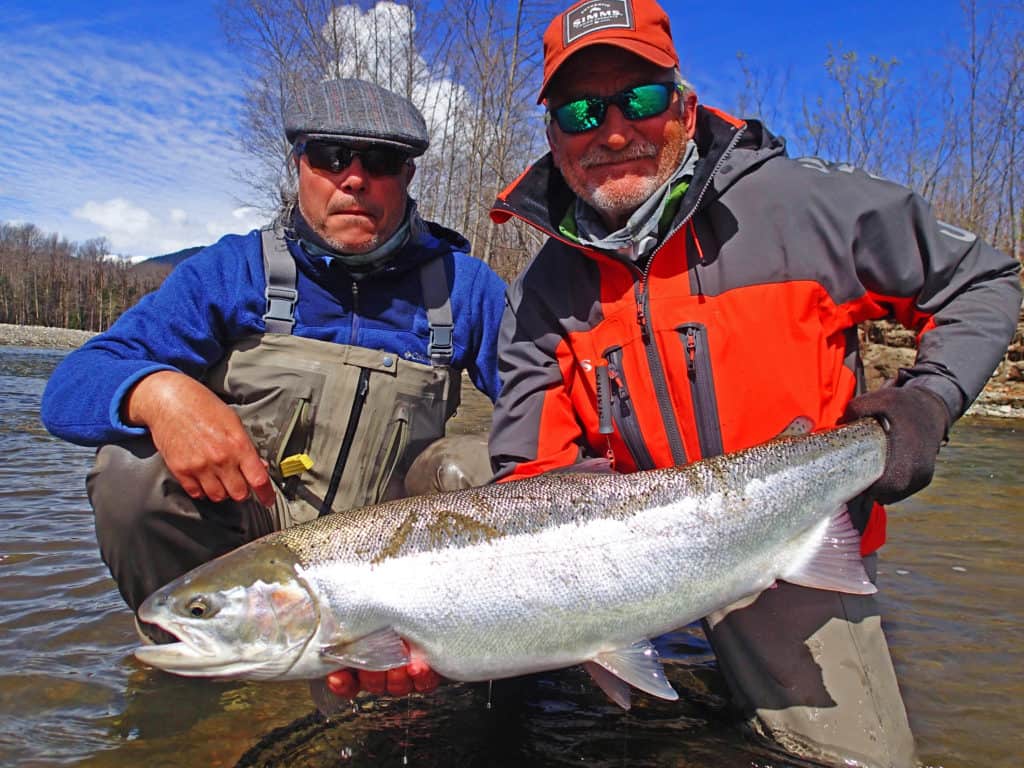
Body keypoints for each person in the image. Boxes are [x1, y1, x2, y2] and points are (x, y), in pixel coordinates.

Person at [486, 0, 1022, 765]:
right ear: (553, 136)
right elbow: (532, 472)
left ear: (684, 107)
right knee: (456, 483)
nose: (613, 132)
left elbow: (982, 281)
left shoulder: (803, 205)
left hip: (793, 536)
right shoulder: (542, 290)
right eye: (581, 111)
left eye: (640, 99)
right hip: (633, 558)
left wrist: (929, 398)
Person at [41, 78, 505, 698]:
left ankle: (444, 652)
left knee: (485, 464)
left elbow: (548, 404)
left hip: (393, 563)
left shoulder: (464, 289)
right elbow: (69, 388)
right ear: (299, 165)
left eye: (381, 161)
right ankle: (213, 662)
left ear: (408, 176)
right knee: (130, 474)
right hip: (253, 546)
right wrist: (160, 394)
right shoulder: (234, 272)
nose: (354, 179)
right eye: (332, 156)